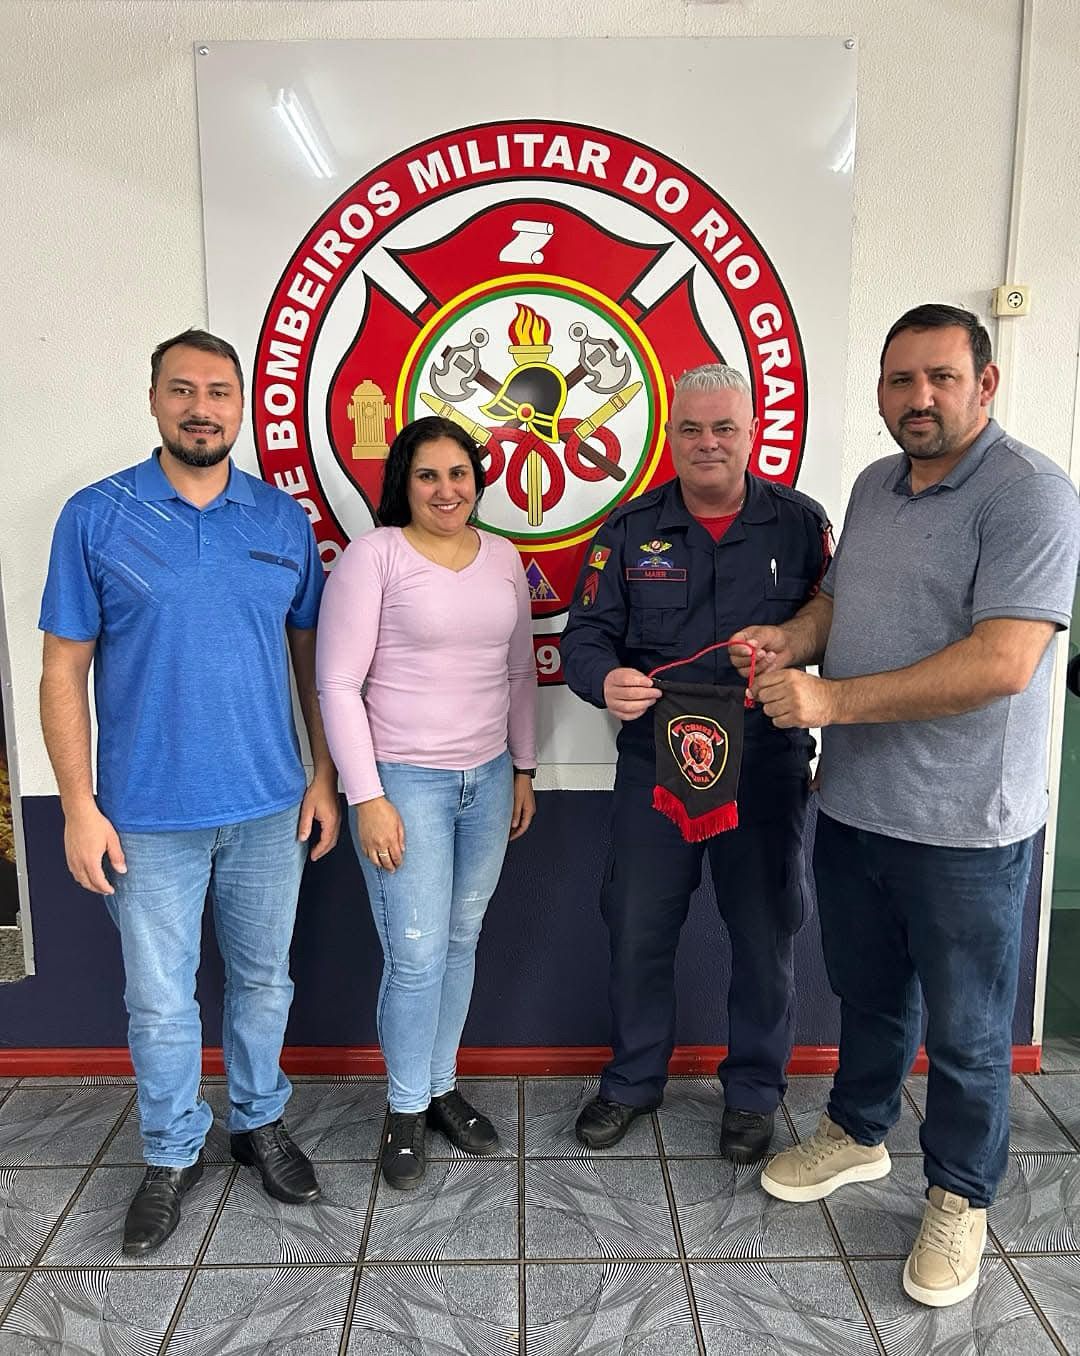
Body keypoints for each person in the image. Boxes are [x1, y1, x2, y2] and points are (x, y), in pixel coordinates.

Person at [732, 304, 1080, 1307]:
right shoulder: (874, 486)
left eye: (940, 377)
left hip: (967, 826)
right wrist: (794, 639)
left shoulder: (1031, 497)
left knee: (968, 1030)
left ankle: (961, 1194)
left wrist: (831, 702)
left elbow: (1004, 661)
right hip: (856, 805)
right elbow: (839, 605)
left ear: (986, 383)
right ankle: (858, 1131)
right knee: (869, 992)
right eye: (900, 380)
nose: (918, 398)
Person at [38, 329, 341, 1254]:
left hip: (269, 807)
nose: (201, 408)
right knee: (161, 1001)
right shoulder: (96, 516)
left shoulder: (281, 522)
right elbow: (62, 670)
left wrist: (323, 776)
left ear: (241, 406)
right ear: (153, 400)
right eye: (182, 390)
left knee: (263, 980)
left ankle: (258, 1122)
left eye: (218, 392)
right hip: (144, 816)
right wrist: (78, 806)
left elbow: (312, 662)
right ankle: (172, 1152)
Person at [560, 364, 831, 1162]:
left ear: (753, 433)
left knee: (766, 929)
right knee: (638, 925)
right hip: (657, 761)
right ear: (669, 436)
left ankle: (753, 1093)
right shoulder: (629, 527)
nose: (708, 442)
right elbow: (585, 637)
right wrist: (603, 680)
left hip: (765, 760)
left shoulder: (800, 524)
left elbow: (840, 627)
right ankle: (632, 1081)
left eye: (724, 428)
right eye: (691, 428)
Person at [316, 415, 537, 1189]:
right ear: (403, 485)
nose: (447, 490)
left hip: (489, 781)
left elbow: (519, 672)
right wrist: (367, 796)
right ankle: (405, 1108)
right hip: (404, 782)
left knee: (459, 941)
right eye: (428, 475)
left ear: (478, 479)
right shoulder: (374, 557)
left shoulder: (503, 557)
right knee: (413, 957)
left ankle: (441, 1088)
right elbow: (337, 685)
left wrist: (524, 768)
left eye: (458, 474)